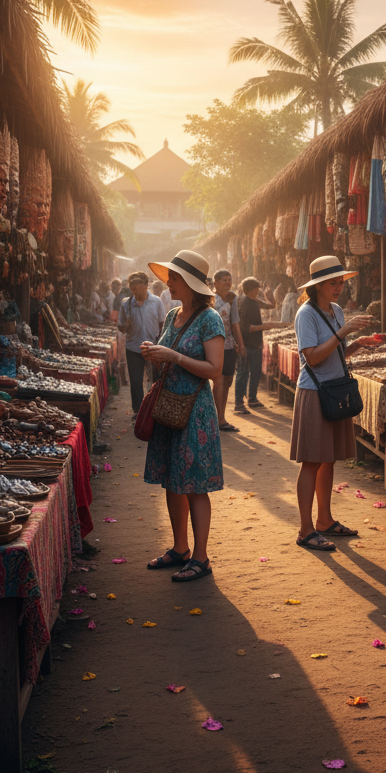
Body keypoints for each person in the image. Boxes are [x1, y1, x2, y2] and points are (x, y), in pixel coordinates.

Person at [140, 250, 226, 583]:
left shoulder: (210, 319)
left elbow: (215, 370)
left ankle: (201, 557)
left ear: (190, 283)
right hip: (168, 408)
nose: (168, 282)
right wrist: (155, 354)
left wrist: (173, 356)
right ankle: (180, 549)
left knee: (193, 484)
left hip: (194, 410)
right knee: (172, 481)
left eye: (174, 278)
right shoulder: (173, 313)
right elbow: (167, 358)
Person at [290, 255, 376, 551]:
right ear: (318, 286)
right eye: (333, 283)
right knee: (312, 462)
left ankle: (324, 520)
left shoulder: (336, 311)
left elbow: (335, 354)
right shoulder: (307, 314)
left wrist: (355, 345)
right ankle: (305, 529)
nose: (339, 287)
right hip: (315, 394)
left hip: (335, 390)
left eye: (341, 282)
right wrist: (345, 332)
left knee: (328, 460)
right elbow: (312, 357)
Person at [117, 271, 166, 414]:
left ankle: (154, 409)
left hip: (154, 346)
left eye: (139, 288)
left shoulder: (156, 301)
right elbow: (121, 327)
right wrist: (125, 326)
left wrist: (161, 343)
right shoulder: (126, 303)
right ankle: (138, 412)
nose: (136, 291)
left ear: (146, 286)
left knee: (155, 381)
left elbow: (162, 323)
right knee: (136, 381)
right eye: (133, 289)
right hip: (134, 347)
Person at [234, 277, 284, 414]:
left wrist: (271, 298)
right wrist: (267, 326)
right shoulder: (244, 303)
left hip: (256, 343)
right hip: (246, 343)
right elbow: (247, 328)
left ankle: (252, 399)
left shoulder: (254, 301)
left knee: (255, 372)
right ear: (250, 290)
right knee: (243, 373)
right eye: (256, 290)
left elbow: (271, 306)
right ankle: (238, 403)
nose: (258, 292)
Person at [212, 269, 245, 432]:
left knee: (227, 382)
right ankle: (217, 419)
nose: (227, 283)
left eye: (229, 280)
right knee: (217, 381)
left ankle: (221, 416)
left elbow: (235, 322)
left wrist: (241, 344)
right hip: (213, 345)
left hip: (229, 345)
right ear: (215, 283)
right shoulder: (209, 299)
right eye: (224, 280)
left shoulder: (233, 298)